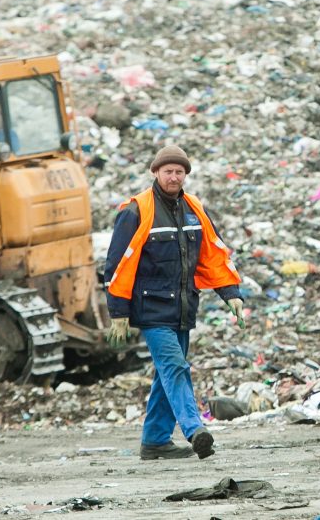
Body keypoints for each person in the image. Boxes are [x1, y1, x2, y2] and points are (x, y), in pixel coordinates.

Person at [104, 144, 244, 461]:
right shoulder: (136, 211)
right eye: (168, 171)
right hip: (150, 309)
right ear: (156, 173)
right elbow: (116, 265)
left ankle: (154, 441)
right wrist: (118, 312)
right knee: (175, 367)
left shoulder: (194, 209)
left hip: (183, 307)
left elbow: (212, 254)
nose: (174, 177)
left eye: (179, 172)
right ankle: (196, 430)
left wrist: (231, 294)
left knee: (166, 374)